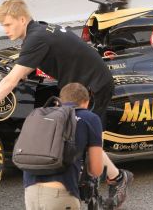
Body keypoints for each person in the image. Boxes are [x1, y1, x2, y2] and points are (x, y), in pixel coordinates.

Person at [0, 0, 133, 209]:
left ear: (22, 19)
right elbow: (20, 72)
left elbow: (10, 80)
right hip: (75, 85)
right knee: (71, 134)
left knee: (80, 137)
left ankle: (114, 180)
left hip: (93, 85)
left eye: (7, 24)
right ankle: (104, 181)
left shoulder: (36, 38)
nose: (5, 30)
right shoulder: (37, 31)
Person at [24, 82, 103, 210]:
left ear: (60, 100)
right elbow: (96, 169)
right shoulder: (90, 118)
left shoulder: (41, 114)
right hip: (61, 193)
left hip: (30, 191)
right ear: (86, 101)